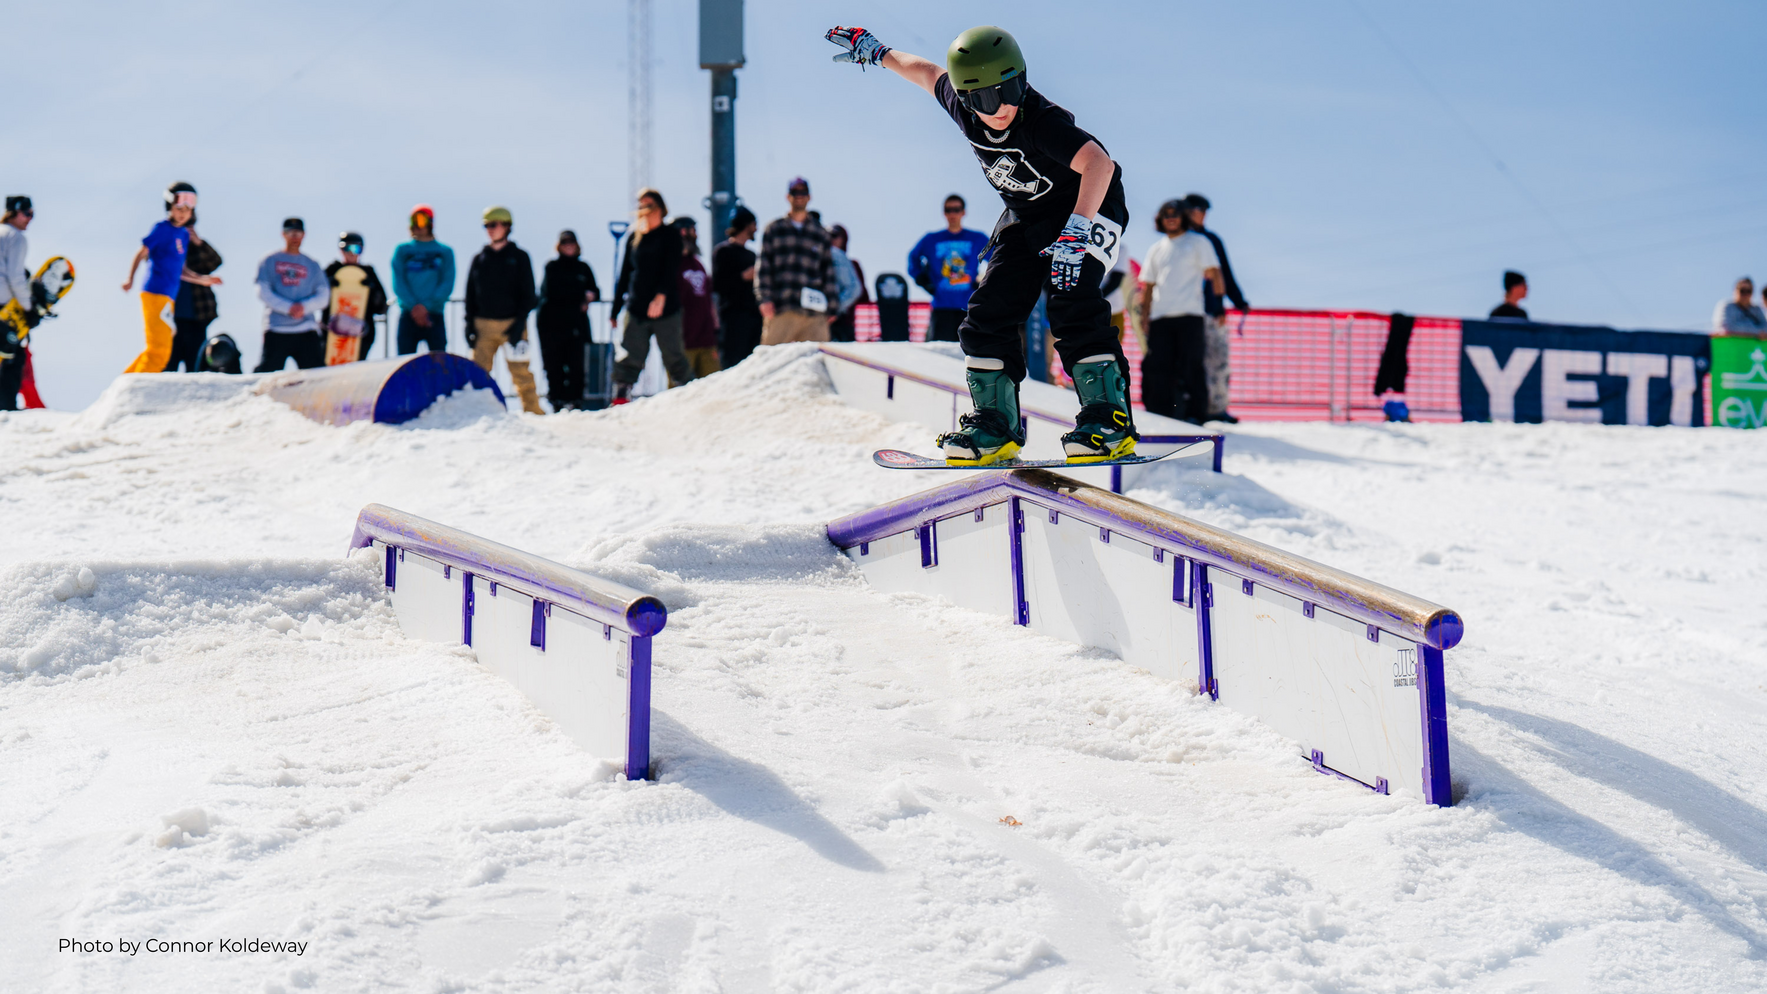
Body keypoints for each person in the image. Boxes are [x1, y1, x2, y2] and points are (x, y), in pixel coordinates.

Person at [826, 25, 1134, 464]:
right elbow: (926, 72)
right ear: (968, 98)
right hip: (1027, 215)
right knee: (987, 313)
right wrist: (877, 53)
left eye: (1013, 88)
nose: (1006, 105)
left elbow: (1099, 164)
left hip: (1091, 204)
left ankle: (1108, 418)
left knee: (1070, 298)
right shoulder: (961, 104)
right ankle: (996, 425)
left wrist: (1078, 229)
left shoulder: (1039, 121)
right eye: (991, 99)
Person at [1136, 199, 1221, 423]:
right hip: (1160, 318)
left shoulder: (1198, 242)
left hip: (1190, 315)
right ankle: (1160, 415)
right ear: (1160, 220)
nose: (1171, 218)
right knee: (1158, 368)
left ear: (1183, 217)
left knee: (1192, 365)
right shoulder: (1156, 249)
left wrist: (1219, 306)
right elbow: (1149, 285)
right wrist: (1144, 317)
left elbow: (1214, 273)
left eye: (1175, 214)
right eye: (1166, 214)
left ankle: (1196, 415)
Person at [610, 188, 690, 403]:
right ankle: (620, 397)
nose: (644, 209)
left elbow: (671, 268)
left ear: (661, 208)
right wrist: (615, 309)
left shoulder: (670, 235)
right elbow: (625, 274)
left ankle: (688, 396)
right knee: (629, 356)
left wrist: (661, 295)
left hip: (666, 308)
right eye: (641, 205)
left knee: (674, 356)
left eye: (649, 205)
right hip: (637, 308)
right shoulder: (634, 238)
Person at [463, 206, 542, 414]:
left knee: (521, 373)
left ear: (507, 227)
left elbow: (529, 294)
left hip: (513, 324)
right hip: (483, 325)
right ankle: (475, 413)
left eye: (494, 225)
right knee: (478, 373)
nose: (490, 229)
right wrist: (468, 324)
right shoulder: (479, 259)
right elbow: (470, 294)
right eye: (486, 225)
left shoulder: (520, 257)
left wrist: (518, 324)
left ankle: (533, 412)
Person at [1184, 193, 1248, 422]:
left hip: (1211, 310)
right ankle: (1189, 408)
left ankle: (1216, 407)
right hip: (1184, 311)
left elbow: (1225, 274)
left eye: (1202, 211)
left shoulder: (1212, 240)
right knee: (1189, 361)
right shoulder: (1178, 239)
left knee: (1217, 359)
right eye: (1194, 210)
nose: (1199, 215)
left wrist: (1238, 300)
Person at [121, 182, 197, 374]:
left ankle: (126, 383)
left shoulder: (183, 234)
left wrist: (204, 279)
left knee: (158, 348)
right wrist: (130, 278)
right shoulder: (162, 229)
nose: (183, 213)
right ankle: (135, 391)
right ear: (169, 206)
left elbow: (181, 270)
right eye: (179, 207)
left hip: (168, 298)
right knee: (159, 351)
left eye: (188, 209)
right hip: (155, 292)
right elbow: (141, 253)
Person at [754, 177, 840, 344]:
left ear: (809, 197)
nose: (799, 196)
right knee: (772, 360)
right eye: (795, 192)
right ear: (788, 197)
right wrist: (764, 298)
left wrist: (833, 305)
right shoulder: (774, 229)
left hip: (814, 314)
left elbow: (828, 271)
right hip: (782, 306)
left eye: (803, 192)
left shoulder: (819, 233)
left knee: (815, 362)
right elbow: (763, 266)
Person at [907, 194, 989, 343]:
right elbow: (912, 258)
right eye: (948, 210)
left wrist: (983, 281)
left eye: (956, 209)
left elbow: (998, 259)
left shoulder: (977, 238)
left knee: (968, 355)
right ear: (944, 213)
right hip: (941, 308)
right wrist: (923, 280)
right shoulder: (931, 239)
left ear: (963, 212)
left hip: (969, 308)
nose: (952, 214)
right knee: (940, 356)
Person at [252, 218, 330, 372]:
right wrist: (288, 308)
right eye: (290, 233)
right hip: (277, 329)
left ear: (304, 235)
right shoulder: (269, 260)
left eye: (298, 233)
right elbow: (262, 290)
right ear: (283, 234)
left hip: (306, 329)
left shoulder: (312, 264)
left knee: (317, 376)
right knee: (267, 375)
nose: (294, 237)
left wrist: (304, 307)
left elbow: (324, 295)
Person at [536, 229, 599, 411]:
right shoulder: (552, 267)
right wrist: (581, 296)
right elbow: (553, 293)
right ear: (559, 246)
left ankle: (576, 402)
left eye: (572, 243)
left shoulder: (583, 268)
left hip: (577, 326)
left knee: (577, 365)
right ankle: (557, 402)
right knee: (554, 365)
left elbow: (595, 290)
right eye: (565, 243)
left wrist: (591, 296)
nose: (569, 246)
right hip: (552, 325)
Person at [390, 204, 455, 354]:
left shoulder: (445, 252)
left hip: (435, 315)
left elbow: (447, 283)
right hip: (408, 315)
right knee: (404, 365)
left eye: (421, 220)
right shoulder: (402, 250)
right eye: (413, 221)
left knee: (439, 364)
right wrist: (414, 307)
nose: (416, 226)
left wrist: (426, 307)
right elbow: (398, 282)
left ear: (430, 223)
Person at [323, 232, 389, 361]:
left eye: (356, 248)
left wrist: (372, 290)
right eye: (346, 248)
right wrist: (328, 286)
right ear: (340, 250)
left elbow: (381, 307)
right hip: (332, 333)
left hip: (361, 335)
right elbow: (317, 298)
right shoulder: (332, 270)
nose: (351, 253)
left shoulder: (368, 272)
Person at [168, 219, 223, 372]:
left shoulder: (196, 250)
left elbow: (216, 261)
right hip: (171, 317)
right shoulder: (167, 245)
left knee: (195, 364)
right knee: (168, 364)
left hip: (197, 316)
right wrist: (203, 280)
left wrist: (198, 242)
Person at [712, 207, 762, 368]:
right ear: (746, 225)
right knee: (733, 365)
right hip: (733, 320)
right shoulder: (723, 251)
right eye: (754, 224)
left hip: (754, 318)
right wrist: (742, 277)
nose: (756, 229)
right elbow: (718, 285)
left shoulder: (752, 255)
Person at [673, 216, 722, 382]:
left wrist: (715, 329)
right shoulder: (671, 265)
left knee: (712, 387)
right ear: (682, 231)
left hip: (706, 339)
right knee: (679, 391)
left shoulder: (698, 263)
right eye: (693, 231)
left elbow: (709, 300)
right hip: (682, 341)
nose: (696, 236)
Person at [0, 195, 34, 408]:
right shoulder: (15, 237)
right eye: (28, 214)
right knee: (12, 358)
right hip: (5, 307)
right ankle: (6, 412)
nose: (30, 219)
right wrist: (28, 307)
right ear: (16, 213)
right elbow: (15, 277)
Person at [828, 223, 870, 342]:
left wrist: (835, 308)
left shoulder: (852, 264)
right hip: (822, 321)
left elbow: (857, 291)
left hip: (843, 320)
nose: (831, 239)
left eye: (835, 235)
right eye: (828, 235)